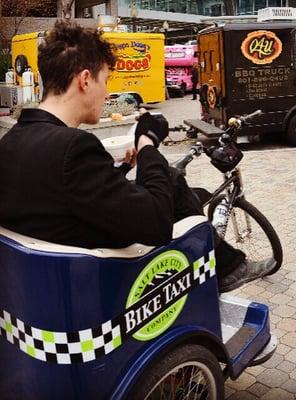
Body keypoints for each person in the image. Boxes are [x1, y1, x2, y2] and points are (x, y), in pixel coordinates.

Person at [0, 21, 272, 292]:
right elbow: (157, 225)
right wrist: (147, 144)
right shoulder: (73, 147)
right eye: (105, 80)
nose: (107, 93)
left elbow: (62, 194)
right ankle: (226, 268)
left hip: (40, 285)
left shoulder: (11, 142)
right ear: (84, 80)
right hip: (103, 283)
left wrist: (119, 169)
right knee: (172, 179)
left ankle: (227, 267)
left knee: (179, 185)